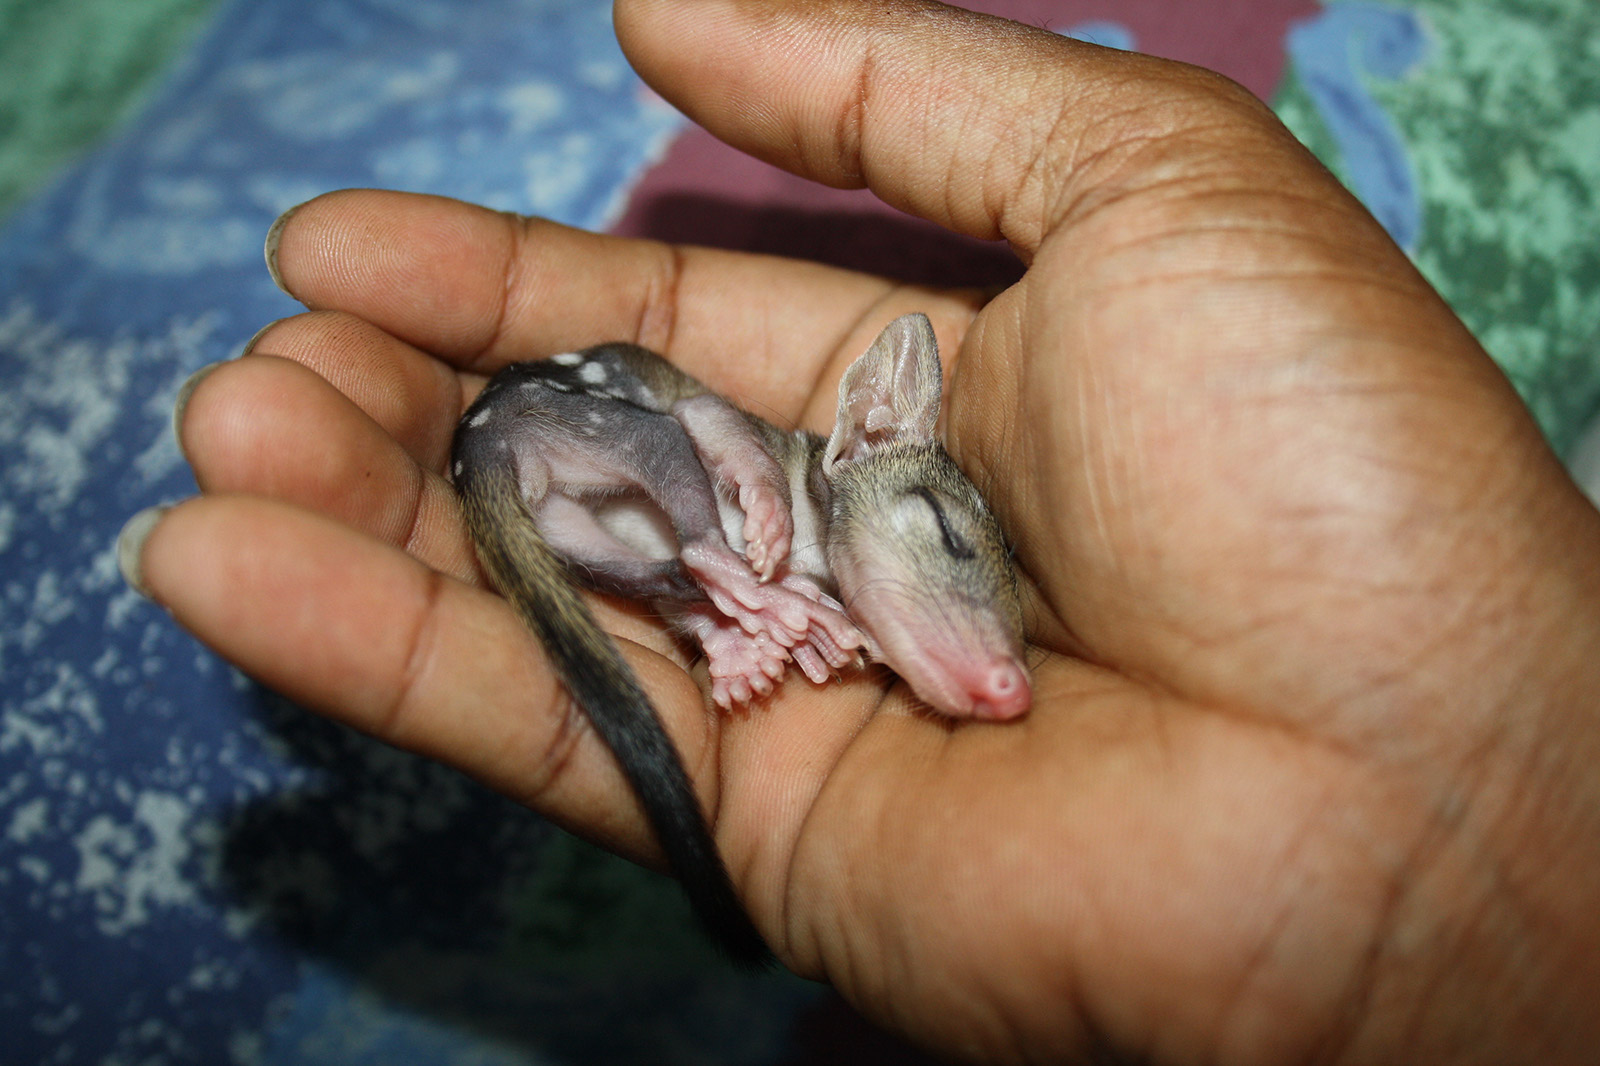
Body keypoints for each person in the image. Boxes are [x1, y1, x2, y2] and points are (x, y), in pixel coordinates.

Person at [119, 0, 1600, 1061]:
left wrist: (717, 613)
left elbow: (714, 577)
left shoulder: (830, 569)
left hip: (578, 514)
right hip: (572, 437)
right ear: (884, 446)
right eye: (959, 568)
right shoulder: (824, 452)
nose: (989, 657)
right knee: (690, 484)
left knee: (691, 588)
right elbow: (683, 420)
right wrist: (722, 544)